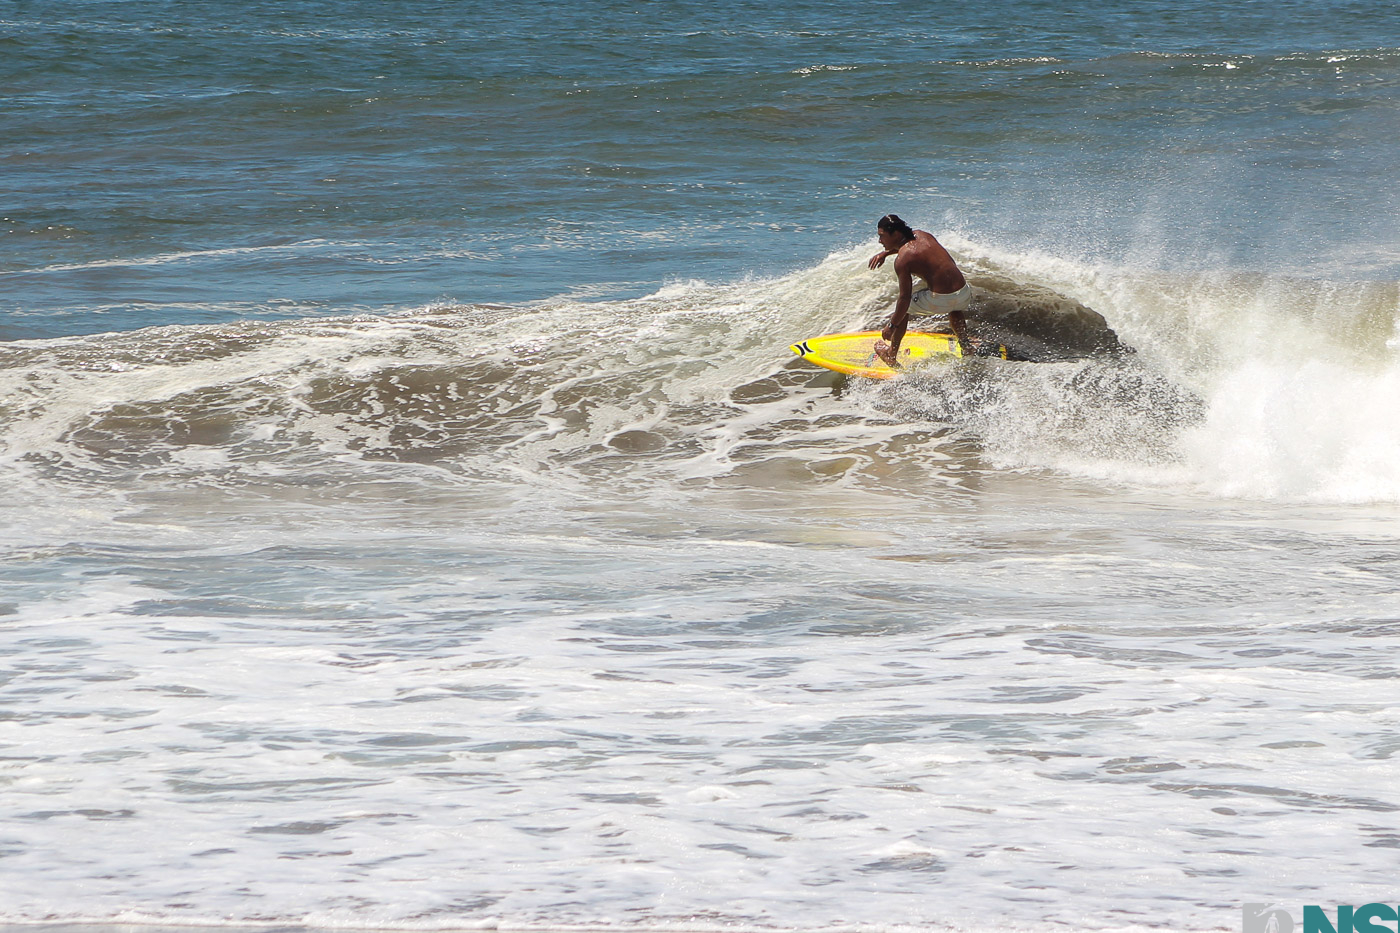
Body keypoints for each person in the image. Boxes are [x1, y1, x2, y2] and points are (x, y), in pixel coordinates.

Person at [867, 214, 973, 365]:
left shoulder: (902, 260)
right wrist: (885, 253)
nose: (880, 241)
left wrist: (892, 326)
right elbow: (913, 248)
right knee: (954, 307)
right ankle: (966, 346)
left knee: (904, 308)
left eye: (882, 236)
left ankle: (891, 354)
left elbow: (904, 298)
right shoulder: (923, 235)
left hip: (942, 299)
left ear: (895, 234)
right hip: (964, 294)